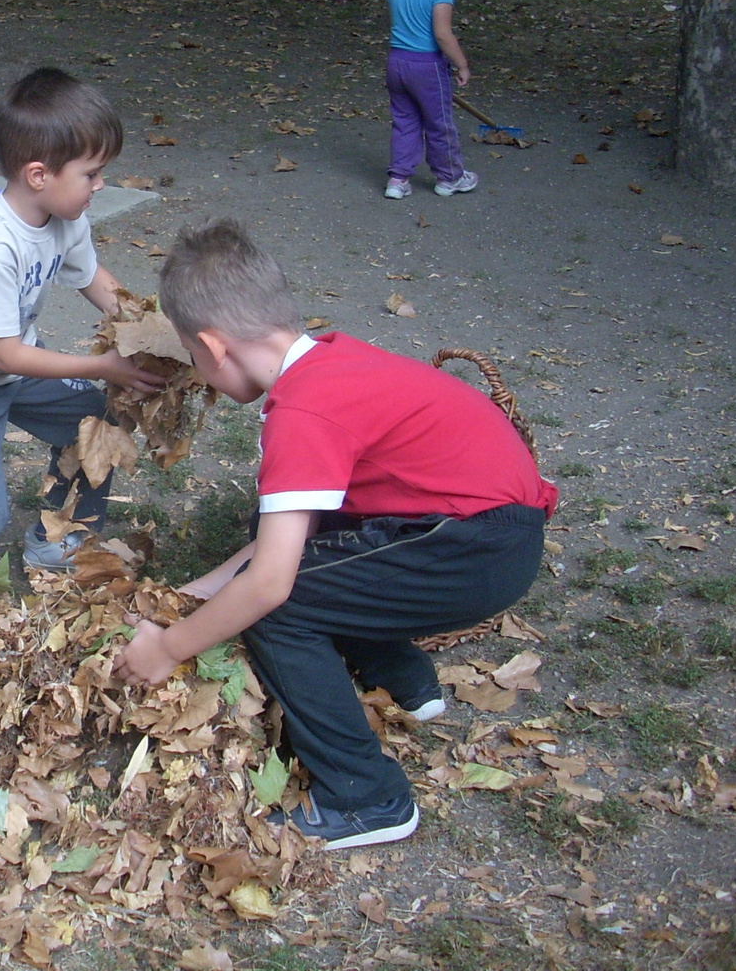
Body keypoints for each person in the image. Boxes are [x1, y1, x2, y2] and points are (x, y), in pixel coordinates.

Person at [114, 220, 556, 849]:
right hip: (476, 528)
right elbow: (274, 548)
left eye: (192, 358)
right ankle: (400, 675)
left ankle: (365, 796)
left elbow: (268, 584)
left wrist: (169, 647)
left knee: (279, 607)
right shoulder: (331, 361)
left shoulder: (302, 413)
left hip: (473, 547)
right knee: (280, 527)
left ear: (211, 348)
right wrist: (191, 596)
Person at [0, 68, 162, 569]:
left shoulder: (65, 217)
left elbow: (93, 278)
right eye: (92, 173)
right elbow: (5, 353)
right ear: (40, 175)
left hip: (10, 369)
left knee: (98, 421)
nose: (101, 185)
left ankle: (57, 538)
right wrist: (104, 366)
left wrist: (149, 328)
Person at [382, 0, 476, 199]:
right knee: (439, 123)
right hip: (428, 67)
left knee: (404, 121)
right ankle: (450, 177)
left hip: (396, 64)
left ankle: (397, 180)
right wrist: (462, 65)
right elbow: (443, 35)